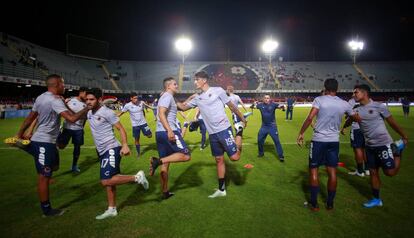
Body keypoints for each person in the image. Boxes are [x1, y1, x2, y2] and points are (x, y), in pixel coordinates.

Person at [15, 74, 89, 217]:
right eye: (62, 84)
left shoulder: (41, 97)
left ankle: (28, 147)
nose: (65, 86)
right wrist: (86, 109)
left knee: (55, 166)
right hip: (44, 141)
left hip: (47, 141)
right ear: (56, 85)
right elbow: (72, 118)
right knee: (44, 176)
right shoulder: (55, 100)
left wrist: (19, 133)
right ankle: (47, 210)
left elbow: (30, 118)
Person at [178, 71, 247, 198]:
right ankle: (221, 190)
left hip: (224, 129)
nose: (194, 82)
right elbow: (182, 107)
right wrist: (174, 98)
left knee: (235, 157)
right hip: (213, 134)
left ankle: (239, 131)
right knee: (219, 159)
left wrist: (242, 119)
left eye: (196, 79)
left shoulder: (218, 90)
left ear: (204, 80)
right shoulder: (197, 98)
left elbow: (232, 107)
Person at [85, 88, 149, 219]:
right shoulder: (88, 112)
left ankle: (137, 177)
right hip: (101, 150)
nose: (88, 102)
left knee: (105, 180)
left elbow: (121, 129)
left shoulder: (106, 112)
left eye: (91, 99)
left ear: (99, 100)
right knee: (111, 180)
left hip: (111, 148)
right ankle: (112, 209)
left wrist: (125, 145)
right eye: (87, 99)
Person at [297, 78, 356, 211]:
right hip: (334, 141)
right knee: (332, 172)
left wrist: (301, 133)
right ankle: (330, 204)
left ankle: (314, 204)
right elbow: (355, 117)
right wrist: (346, 124)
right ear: (337, 88)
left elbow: (310, 117)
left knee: (313, 170)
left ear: (325, 87)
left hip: (318, 140)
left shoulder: (319, 100)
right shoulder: (344, 103)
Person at [352, 84, 408, 208]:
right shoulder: (356, 109)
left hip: (383, 144)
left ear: (364, 93)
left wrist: (404, 136)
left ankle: (398, 151)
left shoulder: (378, 107)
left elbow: (392, 122)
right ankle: (376, 199)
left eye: (356, 92)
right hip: (369, 146)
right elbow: (350, 119)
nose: (353, 95)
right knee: (373, 172)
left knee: (390, 173)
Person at [148, 77, 191, 199]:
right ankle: (157, 161)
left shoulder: (169, 97)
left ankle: (165, 192)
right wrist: (170, 130)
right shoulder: (167, 96)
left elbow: (182, 106)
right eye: (175, 84)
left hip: (160, 133)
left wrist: (192, 98)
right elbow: (161, 113)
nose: (177, 85)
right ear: (168, 86)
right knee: (186, 155)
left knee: (166, 162)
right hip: (168, 132)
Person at [57, 86, 88, 173]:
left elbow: (85, 118)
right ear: (81, 92)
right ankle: (59, 132)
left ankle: (74, 166)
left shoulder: (86, 104)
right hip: (68, 127)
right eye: (86, 94)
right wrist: (65, 104)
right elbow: (68, 113)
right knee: (61, 146)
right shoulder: (70, 100)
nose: (86, 97)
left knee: (77, 148)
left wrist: (82, 127)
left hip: (78, 129)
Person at [341, 89, 368, 177]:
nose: (353, 94)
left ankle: (360, 171)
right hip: (367, 128)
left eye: (355, 92)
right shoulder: (368, 101)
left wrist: (344, 126)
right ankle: (367, 169)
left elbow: (349, 115)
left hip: (356, 128)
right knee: (365, 149)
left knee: (358, 149)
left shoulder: (352, 102)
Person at [118, 93, 153, 158]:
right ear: (131, 98)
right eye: (134, 98)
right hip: (135, 125)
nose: (136, 100)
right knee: (137, 140)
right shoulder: (127, 105)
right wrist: (115, 117)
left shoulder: (141, 102)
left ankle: (146, 133)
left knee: (149, 136)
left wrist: (156, 108)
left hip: (143, 123)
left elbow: (148, 107)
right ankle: (138, 153)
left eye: (137, 98)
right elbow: (121, 113)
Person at [254, 94, 285, 162]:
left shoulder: (273, 104)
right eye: (265, 98)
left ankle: (281, 156)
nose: (266, 99)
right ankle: (261, 153)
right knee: (259, 140)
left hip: (272, 127)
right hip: (264, 127)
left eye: (267, 98)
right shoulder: (260, 105)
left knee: (276, 141)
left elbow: (280, 106)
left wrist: (282, 107)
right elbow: (254, 106)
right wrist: (254, 104)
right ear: (263, 99)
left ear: (270, 99)